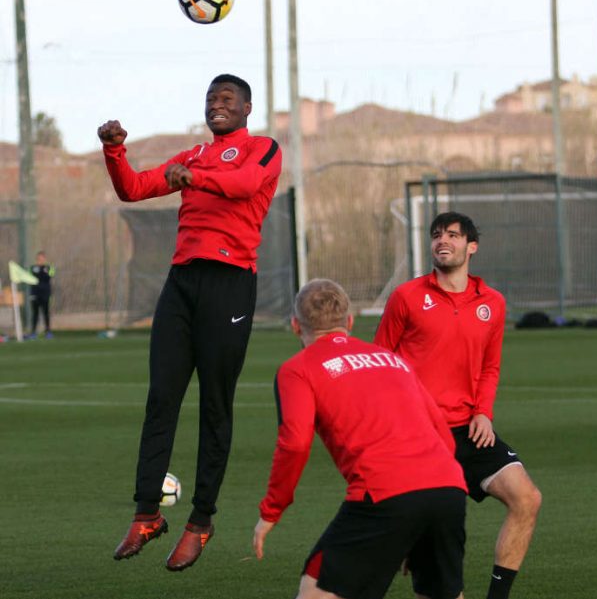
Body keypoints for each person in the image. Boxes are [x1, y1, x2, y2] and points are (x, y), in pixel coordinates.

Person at [98, 74, 282, 571]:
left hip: (229, 284)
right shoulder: (194, 156)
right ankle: (146, 514)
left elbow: (244, 186)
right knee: (161, 398)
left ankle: (200, 520)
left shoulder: (263, 148)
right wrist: (115, 150)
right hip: (181, 285)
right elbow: (133, 189)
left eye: (226, 100)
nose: (216, 106)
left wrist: (192, 178)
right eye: (210, 100)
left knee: (215, 407)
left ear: (246, 107)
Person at [254, 279, 468, 599]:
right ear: (350, 321)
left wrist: (272, 511)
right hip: (448, 490)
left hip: (384, 494)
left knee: (316, 590)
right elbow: (443, 436)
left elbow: (295, 443)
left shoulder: (297, 370)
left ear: (296, 326)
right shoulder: (393, 360)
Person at [374, 212, 542, 599]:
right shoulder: (407, 297)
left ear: (472, 247)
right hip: (420, 436)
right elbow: (381, 364)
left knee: (527, 498)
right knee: (438, 558)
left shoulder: (493, 303)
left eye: (452, 234)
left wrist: (484, 411)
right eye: (436, 235)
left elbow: (490, 365)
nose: (442, 241)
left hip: (468, 429)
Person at [29, 251, 55, 339]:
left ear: (44, 259)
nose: (40, 260)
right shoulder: (32, 268)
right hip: (35, 293)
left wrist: (48, 270)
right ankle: (33, 332)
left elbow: (51, 275)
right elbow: (29, 277)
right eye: (39, 258)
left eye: (42, 258)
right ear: (37, 259)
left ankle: (48, 331)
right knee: (35, 313)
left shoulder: (48, 268)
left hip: (45, 293)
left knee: (46, 313)